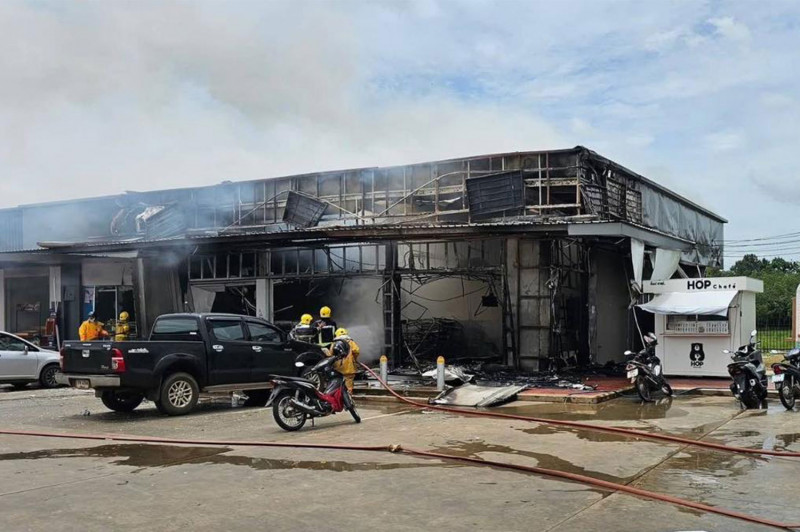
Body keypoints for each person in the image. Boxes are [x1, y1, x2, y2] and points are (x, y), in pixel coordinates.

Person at [330, 328, 360, 394]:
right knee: (348, 382)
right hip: (349, 367)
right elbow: (356, 351)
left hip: (337, 367)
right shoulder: (350, 342)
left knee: (337, 382)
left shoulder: (334, 343)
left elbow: (330, 354)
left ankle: (338, 397)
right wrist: (354, 359)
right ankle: (348, 398)